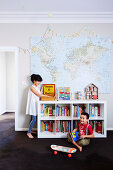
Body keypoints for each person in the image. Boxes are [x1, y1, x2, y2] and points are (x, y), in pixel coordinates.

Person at [26, 74, 49, 139]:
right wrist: (47, 96)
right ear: (34, 81)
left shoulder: (36, 87)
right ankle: (29, 132)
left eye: (40, 81)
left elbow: (39, 93)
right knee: (34, 119)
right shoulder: (32, 87)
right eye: (38, 81)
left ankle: (30, 130)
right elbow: (38, 94)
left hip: (36, 104)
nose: (39, 83)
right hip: (32, 105)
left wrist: (42, 89)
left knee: (32, 119)